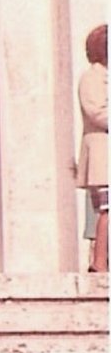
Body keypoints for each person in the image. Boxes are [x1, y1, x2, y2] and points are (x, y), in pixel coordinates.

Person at [77, 24, 108, 272]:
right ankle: (98, 263)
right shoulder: (92, 77)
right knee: (106, 210)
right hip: (102, 153)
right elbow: (96, 111)